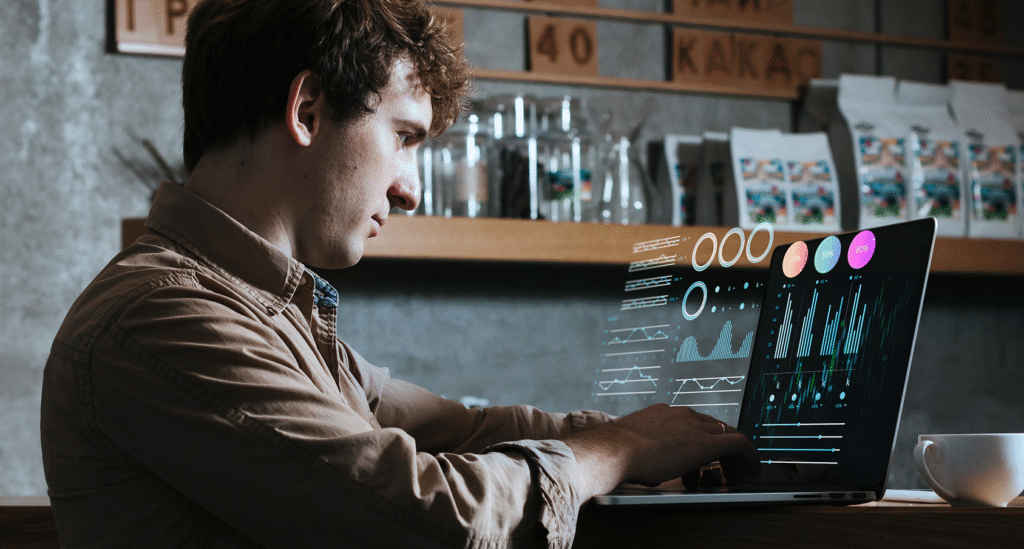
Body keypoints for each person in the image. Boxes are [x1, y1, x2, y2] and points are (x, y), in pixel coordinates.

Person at [40, 0, 759, 547]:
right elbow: (431, 517)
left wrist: (631, 439)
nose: (410, 188)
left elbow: (458, 426)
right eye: (405, 137)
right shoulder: (161, 318)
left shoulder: (264, 308)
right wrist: (615, 450)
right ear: (308, 110)